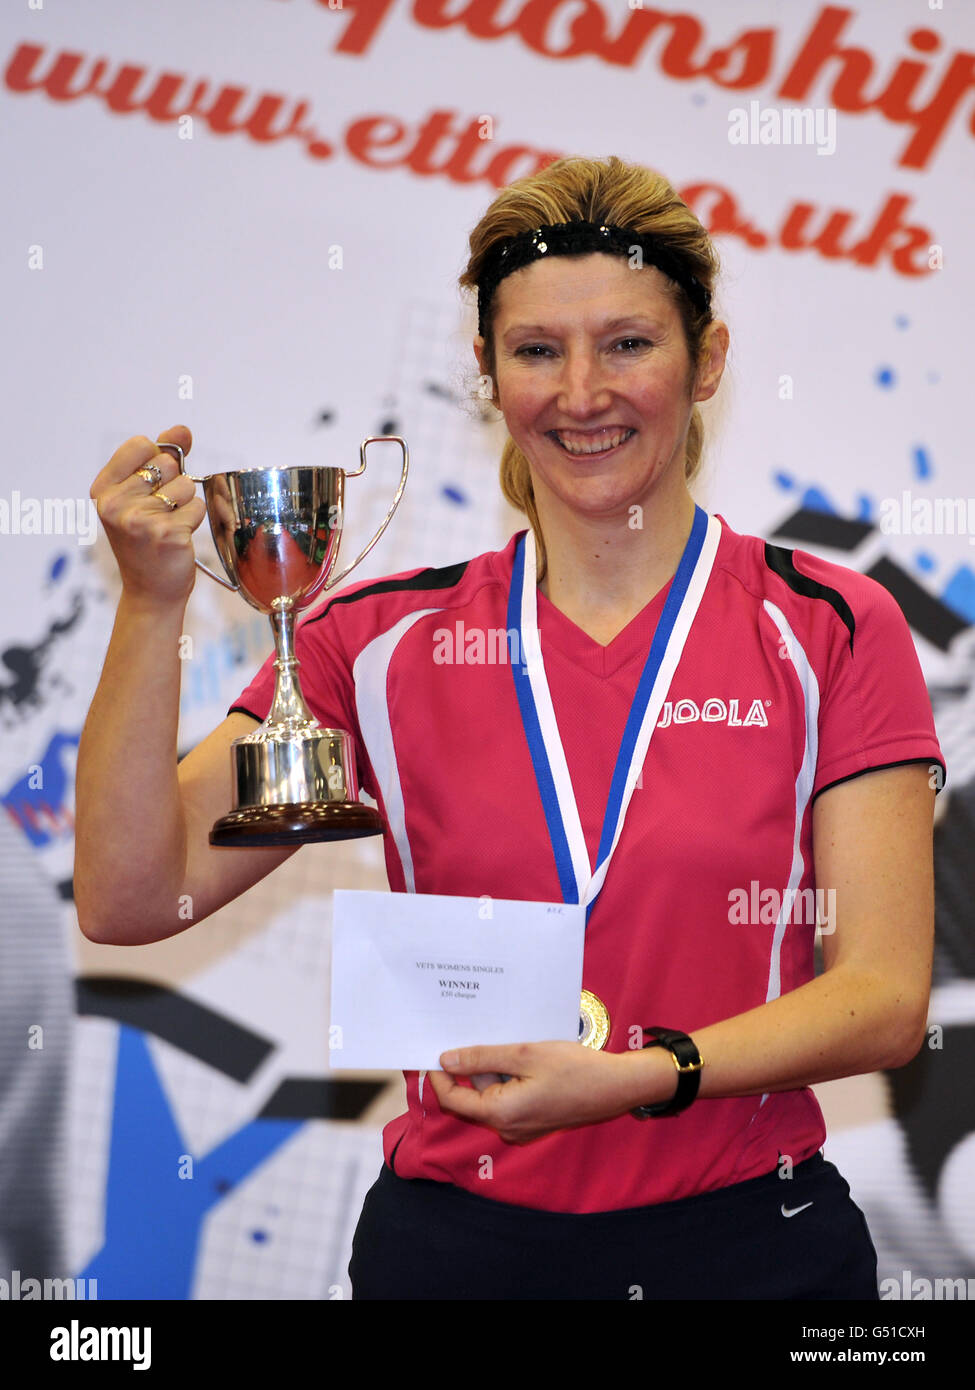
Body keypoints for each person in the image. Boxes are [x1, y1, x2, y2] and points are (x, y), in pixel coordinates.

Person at [76, 155, 944, 1301]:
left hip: (753, 1248)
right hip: (458, 1252)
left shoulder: (830, 623)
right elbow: (135, 894)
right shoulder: (372, 644)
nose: (582, 392)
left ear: (708, 361)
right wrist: (151, 604)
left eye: (628, 343)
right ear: (486, 371)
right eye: (537, 351)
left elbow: (883, 997)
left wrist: (646, 1074)